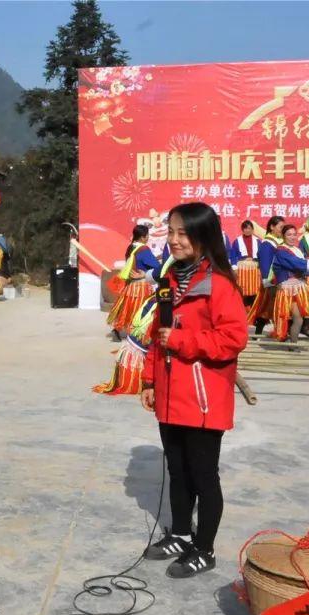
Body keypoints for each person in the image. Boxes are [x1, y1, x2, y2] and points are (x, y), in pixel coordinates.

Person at [140, 202, 247, 578]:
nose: (174, 240)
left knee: (203, 474)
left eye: (183, 233)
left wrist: (184, 341)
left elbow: (233, 339)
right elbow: (158, 337)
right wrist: (151, 380)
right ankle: (181, 534)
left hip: (203, 398)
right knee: (178, 470)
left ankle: (204, 549)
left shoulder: (219, 285)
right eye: (170, 232)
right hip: (171, 394)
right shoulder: (170, 281)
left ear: (203, 236)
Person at [265, 224, 309, 342]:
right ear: (283, 236)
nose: (292, 237)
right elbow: (297, 264)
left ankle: (302, 328)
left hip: (301, 286)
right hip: (288, 289)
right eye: (289, 234)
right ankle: (293, 344)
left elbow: (303, 269)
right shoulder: (281, 251)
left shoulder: (297, 250)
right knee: (298, 318)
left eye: (294, 234)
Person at [107, 224, 160, 339]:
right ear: (142, 237)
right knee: (141, 309)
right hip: (142, 285)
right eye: (147, 236)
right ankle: (137, 335)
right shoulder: (144, 249)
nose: (148, 238)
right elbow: (156, 265)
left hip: (131, 285)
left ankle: (117, 329)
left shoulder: (131, 248)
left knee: (127, 308)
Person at [246, 216, 285, 335]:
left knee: (271, 308)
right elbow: (265, 264)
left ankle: (278, 333)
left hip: (281, 279)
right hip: (271, 280)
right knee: (269, 308)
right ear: (272, 227)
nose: (282, 230)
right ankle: (277, 334)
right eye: (281, 227)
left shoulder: (281, 241)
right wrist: (267, 282)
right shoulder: (267, 243)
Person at [229, 219, 261, 305]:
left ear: (252, 229)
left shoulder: (258, 241)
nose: (247, 230)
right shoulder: (237, 241)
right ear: (242, 230)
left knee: (255, 289)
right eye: (245, 228)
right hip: (242, 269)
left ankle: (253, 312)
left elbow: (261, 255)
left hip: (254, 268)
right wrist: (234, 268)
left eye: (249, 228)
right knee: (243, 290)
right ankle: (243, 310)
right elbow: (233, 255)